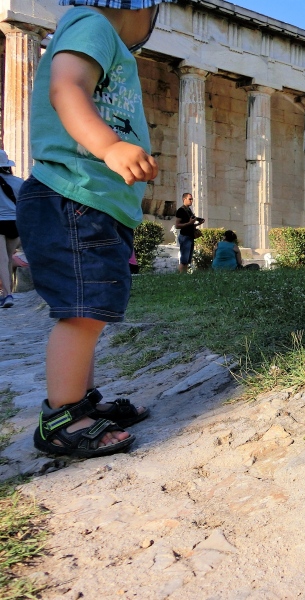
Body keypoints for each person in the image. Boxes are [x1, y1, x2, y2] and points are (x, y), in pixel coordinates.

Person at [15, 0, 170, 458]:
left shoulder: (103, 38)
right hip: (72, 196)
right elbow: (67, 87)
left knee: (90, 309)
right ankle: (62, 420)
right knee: (82, 313)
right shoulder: (92, 24)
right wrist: (110, 146)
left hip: (90, 202)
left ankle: (82, 404)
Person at [0, 149, 23, 308]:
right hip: (15, 223)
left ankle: (7, 294)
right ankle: (8, 293)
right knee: (8, 258)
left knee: (2, 259)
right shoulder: (19, 182)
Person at [175, 192, 204, 273]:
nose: (192, 201)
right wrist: (190, 223)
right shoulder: (181, 210)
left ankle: (184, 276)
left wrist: (198, 223)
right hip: (184, 237)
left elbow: (191, 225)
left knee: (187, 260)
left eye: (192, 199)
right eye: (190, 199)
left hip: (190, 236)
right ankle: (181, 276)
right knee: (184, 260)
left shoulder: (189, 210)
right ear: (184, 199)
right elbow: (177, 225)